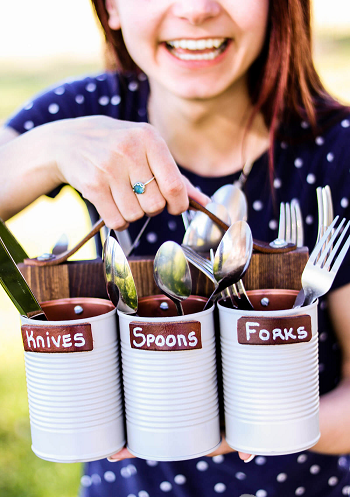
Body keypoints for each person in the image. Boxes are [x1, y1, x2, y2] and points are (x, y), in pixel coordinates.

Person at [1, 0, 350, 495]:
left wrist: (248, 424)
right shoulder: (87, 112)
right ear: (112, 7)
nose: (196, 9)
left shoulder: (338, 150)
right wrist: (48, 149)